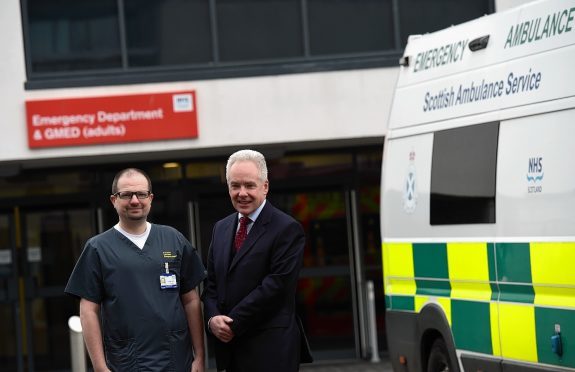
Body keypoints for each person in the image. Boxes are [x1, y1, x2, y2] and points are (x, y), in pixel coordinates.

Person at [65, 168, 206, 372]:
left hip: (176, 360)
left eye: (141, 194)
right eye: (126, 195)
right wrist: (99, 366)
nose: (134, 201)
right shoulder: (98, 248)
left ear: (150, 198)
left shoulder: (173, 239)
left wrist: (200, 356)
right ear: (114, 200)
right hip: (126, 363)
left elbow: (191, 300)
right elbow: (88, 310)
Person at [202, 149, 311, 372]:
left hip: (271, 350)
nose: (242, 193)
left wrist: (233, 322)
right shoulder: (220, 228)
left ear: (265, 186)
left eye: (249, 185)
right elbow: (211, 283)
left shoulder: (287, 229)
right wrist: (212, 320)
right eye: (235, 185)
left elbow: (276, 287)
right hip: (231, 350)